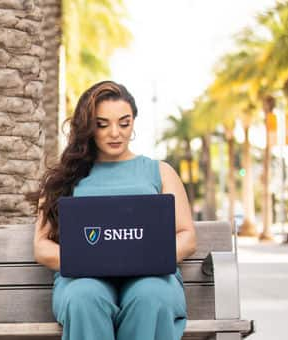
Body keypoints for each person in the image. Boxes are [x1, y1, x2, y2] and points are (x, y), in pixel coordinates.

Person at [29, 80, 197, 340]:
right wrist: (91, 262)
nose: (115, 133)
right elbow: (41, 245)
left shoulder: (159, 172)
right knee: (83, 297)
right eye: (102, 124)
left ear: (133, 122)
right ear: (88, 127)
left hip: (152, 277)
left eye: (124, 122)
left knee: (151, 296)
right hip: (83, 280)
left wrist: (149, 260)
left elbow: (186, 235)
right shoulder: (64, 179)